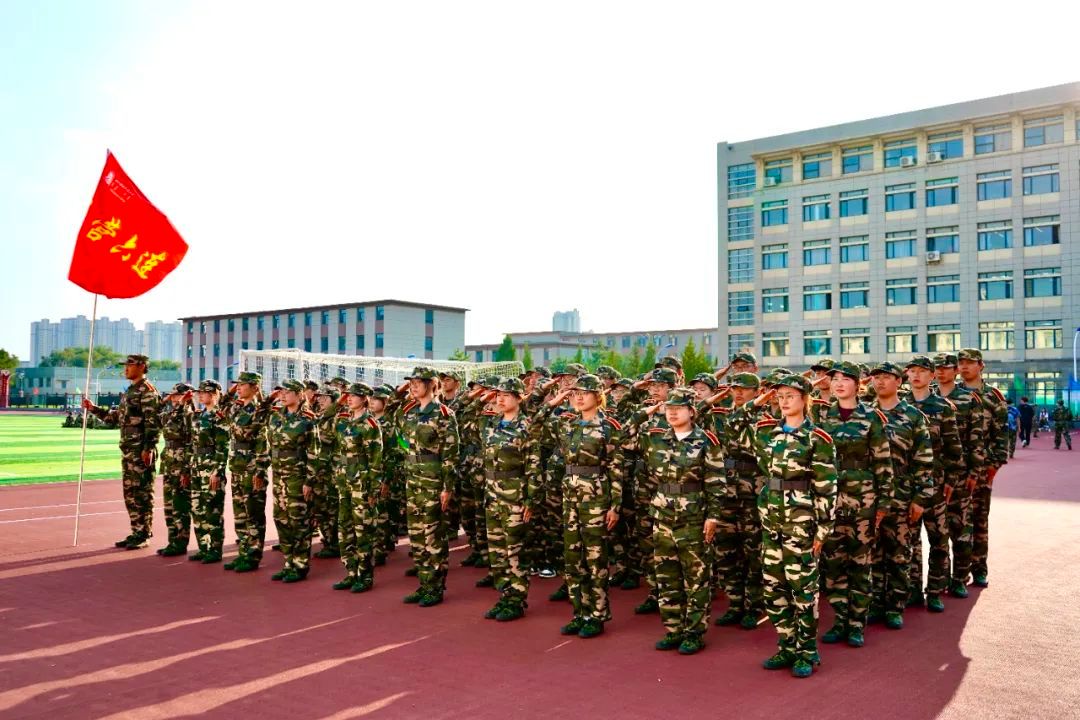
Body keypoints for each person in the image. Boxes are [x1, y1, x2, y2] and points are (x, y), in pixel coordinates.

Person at [749, 374, 836, 679]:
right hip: (771, 521)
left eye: (790, 396)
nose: (784, 402)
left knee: (803, 590)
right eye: (780, 397)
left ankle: (806, 652)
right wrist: (757, 401)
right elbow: (736, 424)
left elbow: (827, 487)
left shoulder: (818, 439)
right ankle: (786, 646)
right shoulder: (767, 433)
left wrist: (823, 529)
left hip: (802, 524)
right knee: (773, 588)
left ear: (805, 400)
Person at [536, 374, 623, 639]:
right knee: (573, 557)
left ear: (598, 395)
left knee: (595, 558)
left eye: (584, 392)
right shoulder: (567, 424)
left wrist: (615, 505)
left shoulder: (608, 427)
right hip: (570, 497)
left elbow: (616, 468)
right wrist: (556, 400)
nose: (579, 397)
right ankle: (580, 613)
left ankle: (597, 615)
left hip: (596, 497)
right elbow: (534, 422)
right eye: (575, 393)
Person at [816, 361, 893, 648]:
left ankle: (857, 624)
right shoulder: (823, 416)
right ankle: (840, 620)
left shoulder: (871, 417)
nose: (838, 383)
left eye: (845, 379)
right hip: (831, 499)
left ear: (858, 384)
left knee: (860, 562)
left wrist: (883, 504)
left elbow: (883, 462)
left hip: (863, 500)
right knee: (834, 563)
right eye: (834, 379)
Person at [644, 387, 725, 655]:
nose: (673, 413)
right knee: (667, 576)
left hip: (693, 518)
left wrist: (713, 516)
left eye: (678, 408)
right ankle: (673, 629)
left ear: (692, 411)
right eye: (669, 408)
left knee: (696, 578)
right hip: (663, 517)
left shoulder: (706, 441)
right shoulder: (657, 438)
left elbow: (716, 482)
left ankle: (694, 632)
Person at [869, 362, 934, 630]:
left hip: (902, 495)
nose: (880, 382)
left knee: (899, 553)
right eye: (876, 377)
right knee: (872, 554)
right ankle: (874, 604)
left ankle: (895, 606)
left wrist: (921, 498)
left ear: (899, 381)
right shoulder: (865, 413)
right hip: (870, 496)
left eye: (886, 377)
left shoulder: (913, 416)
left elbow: (924, 459)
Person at [904, 356, 964, 613]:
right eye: (912, 371)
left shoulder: (943, 407)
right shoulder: (899, 406)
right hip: (907, 486)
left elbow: (954, 449)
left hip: (936, 486)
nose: (916, 376)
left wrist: (951, 480)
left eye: (922, 371)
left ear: (931, 376)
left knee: (939, 539)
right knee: (910, 542)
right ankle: (913, 590)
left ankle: (936, 591)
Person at [82, 353, 162, 549]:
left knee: (142, 493)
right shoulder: (130, 391)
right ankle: (136, 531)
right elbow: (115, 418)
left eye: (130, 365)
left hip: (140, 451)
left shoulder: (148, 391)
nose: (125, 368)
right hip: (128, 452)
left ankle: (143, 533)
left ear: (142, 367)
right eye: (125, 365)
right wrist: (93, 409)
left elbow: (153, 423)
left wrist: (149, 447)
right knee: (130, 494)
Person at [479, 378, 541, 622]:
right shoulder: (491, 423)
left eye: (506, 395)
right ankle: (505, 595)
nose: (500, 399)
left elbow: (534, 466)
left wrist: (530, 500)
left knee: (514, 550)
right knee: (497, 551)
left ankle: (517, 600)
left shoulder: (526, 426)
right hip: (492, 495)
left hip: (514, 495)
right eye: (498, 395)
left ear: (519, 398)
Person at [399, 366, 460, 607]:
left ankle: (435, 587)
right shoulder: (409, 411)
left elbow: (450, 454)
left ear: (432, 384)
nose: (413, 386)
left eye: (418, 382)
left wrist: (447, 486)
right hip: (413, 479)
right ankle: (424, 583)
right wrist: (408, 454)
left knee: (433, 534)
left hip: (433, 481)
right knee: (416, 535)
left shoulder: (443, 414)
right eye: (411, 382)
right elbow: (401, 438)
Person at [712, 372, 768, 631]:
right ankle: (735, 603)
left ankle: (754, 605)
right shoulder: (721, 416)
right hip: (726, 492)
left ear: (757, 392)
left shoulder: (763, 419)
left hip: (752, 492)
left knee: (754, 552)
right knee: (726, 551)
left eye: (744, 389)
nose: (738, 392)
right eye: (734, 388)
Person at [957, 348, 1008, 588]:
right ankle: (957, 573)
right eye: (961, 363)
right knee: (956, 524)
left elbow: (1001, 435)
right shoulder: (951, 393)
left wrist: (993, 466)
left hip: (982, 469)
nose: (964, 367)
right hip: (955, 469)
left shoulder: (993, 396)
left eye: (969, 362)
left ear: (981, 365)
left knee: (979, 521)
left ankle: (979, 569)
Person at [933, 353, 982, 598]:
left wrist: (974, 471)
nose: (941, 372)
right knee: (938, 533)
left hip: (960, 473)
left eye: (946, 368)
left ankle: (960, 578)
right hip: (932, 475)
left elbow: (976, 439)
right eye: (937, 368)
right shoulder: (926, 398)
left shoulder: (968, 399)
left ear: (955, 371)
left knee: (961, 529)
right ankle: (939, 580)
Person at [329, 382, 384, 592]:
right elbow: (325, 420)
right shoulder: (343, 420)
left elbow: (376, 460)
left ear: (364, 399)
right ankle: (351, 572)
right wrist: (339, 403)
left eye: (354, 395)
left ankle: (365, 575)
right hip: (344, 482)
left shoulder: (369, 424)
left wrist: (373, 489)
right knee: (345, 528)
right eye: (348, 396)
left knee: (363, 530)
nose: (349, 398)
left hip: (362, 483)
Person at [266, 379, 319, 583]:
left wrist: (309, 481)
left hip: (298, 477)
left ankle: (300, 564)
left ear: (299, 395)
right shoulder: (276, 416)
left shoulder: (308, 419)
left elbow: (315, 452)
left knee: (298, 521)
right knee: (281, 519)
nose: (282, 395)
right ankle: (288, 562)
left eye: (287, 392)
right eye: (281, 392)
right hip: (279, 476)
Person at [219, 372, 271, 573]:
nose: (239, 387)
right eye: (237, 384)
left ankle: (253, 556)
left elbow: (263, 442)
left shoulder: (259, 411)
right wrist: (231, 391)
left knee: (253, 515)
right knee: (240, 515)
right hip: (237, 467)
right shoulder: (237, 407)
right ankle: (243, 553)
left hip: (252, 469)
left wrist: (260, 471)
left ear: (255, 387)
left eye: (243, 384)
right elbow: (222, 405)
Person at [189, 380, 230, 563]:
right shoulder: (199, 415)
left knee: (212, 509)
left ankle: (215, 549)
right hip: (197, 467)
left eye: (203, 392)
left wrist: (217, 471)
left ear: (213, 394)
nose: (200, 395)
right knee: (197, 508)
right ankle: (203, 547)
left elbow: (223, 446)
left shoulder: (219, 417)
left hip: (211, 467)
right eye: (199, 392)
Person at [158, 383, 195, 557]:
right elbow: (153, 415)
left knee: (180, 506)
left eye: (177, 395)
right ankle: (172, 541)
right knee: (169, 506)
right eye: (172, 395)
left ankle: (180, 542)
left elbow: (192, 444)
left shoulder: (190, 416)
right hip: (169, 463)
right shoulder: (169, 414)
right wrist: (166, 401)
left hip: (181, 465)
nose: (173, 398)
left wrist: (186, 470)